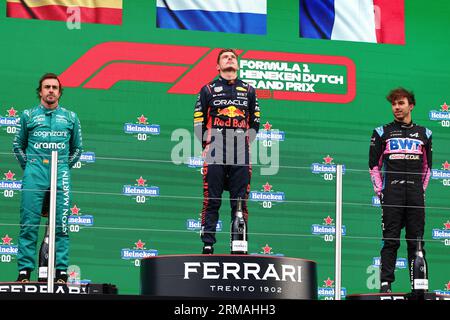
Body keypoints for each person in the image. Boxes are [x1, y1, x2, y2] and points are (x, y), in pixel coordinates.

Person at [13, 73, 83, 283]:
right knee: (29, 224)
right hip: (34, 174)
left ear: (59, 92)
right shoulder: (28, 115)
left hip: (60, 174)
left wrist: (63, 166)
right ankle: (24, 272)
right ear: (40, 91)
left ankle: (61, 272)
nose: (51, 90)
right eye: (47, 87)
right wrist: (30, 168)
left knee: (61, 225)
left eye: (54, 87)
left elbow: (78, 149)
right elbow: (18, 145)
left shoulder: (70, 117)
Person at [194, 49, 260, 254]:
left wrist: (244, 142)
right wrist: (207, 145)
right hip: (215, 148)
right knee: (212, 199)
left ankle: (239, 246)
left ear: (238, 65)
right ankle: (208, 245)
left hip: (240, 149)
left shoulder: (249, 90)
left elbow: (255, 122)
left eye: (233, 57)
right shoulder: (208, 90)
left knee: (240, 201)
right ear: (218, 66)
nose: (230, 59)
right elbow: (198, 122)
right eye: (225, 57)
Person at [369, 87, 432, 293]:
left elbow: (427, 168)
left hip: (415, 195)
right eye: (394, 104)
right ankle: (386, 285)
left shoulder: (425, 134)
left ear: (411, 106)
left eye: (401, 103)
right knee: (390, 241)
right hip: (392, 194)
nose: (396, 107)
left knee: (417, 243)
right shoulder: (381, 132)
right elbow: (374, 166)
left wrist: (420, 190)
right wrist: (381, 191)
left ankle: (419, 286)